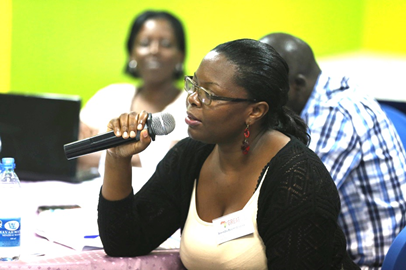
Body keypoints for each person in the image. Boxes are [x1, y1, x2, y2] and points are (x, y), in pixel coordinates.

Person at [97, 38, 360, 269]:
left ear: (255, 111)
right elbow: (124, 241)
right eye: (194, 85)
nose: (192, 99)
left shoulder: (298, 180)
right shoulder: (192, 154)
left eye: (209, 94)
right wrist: (118, 158)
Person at [260, 32, 406, 269]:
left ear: (297, 84)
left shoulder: (335, 116)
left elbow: (294, 204)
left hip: (364, 262)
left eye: (267, 88)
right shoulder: (322, 88)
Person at [78, 10, 188, 186]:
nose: (154, 50)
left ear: (180, 55)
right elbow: (76, 154)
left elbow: (175, 167)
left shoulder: (192, 105)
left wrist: (109, 155)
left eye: (166, 44)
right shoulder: (110, 95)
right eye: (145, 43)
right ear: (131, 53)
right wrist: (132, 159)